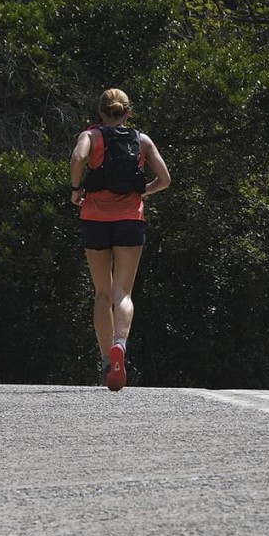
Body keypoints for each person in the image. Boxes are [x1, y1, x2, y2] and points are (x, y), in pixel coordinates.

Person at [70, 88, 171, 391]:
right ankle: (120, 345)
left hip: (95, 219)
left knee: (102, 294)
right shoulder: (142, 140)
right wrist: (142, 192)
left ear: (101, 112)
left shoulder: (92, 136)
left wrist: (76, 190)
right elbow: (165, 180)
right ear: (128, 112)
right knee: (122, 294)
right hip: (130, 220)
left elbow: (77, 157)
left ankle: (105, 362)